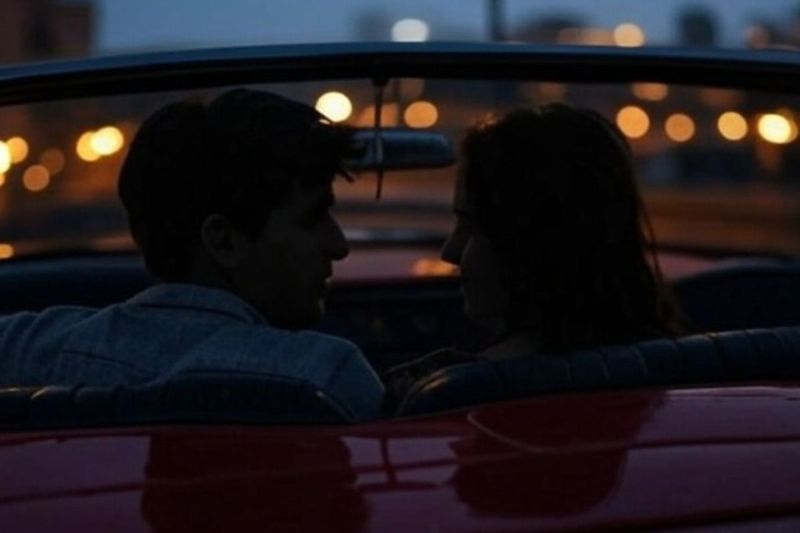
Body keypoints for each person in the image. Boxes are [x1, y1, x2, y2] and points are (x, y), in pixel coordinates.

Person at [0, 89, 384, 421]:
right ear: (223, 241)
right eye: (311, 218)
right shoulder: (328, 379)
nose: (339, 245)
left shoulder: (27, 350)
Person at [384, 104, 679, 407]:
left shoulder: (438, 394)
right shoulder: (682, 367)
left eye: (473, 228)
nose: (450, 252)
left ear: (532, 244)